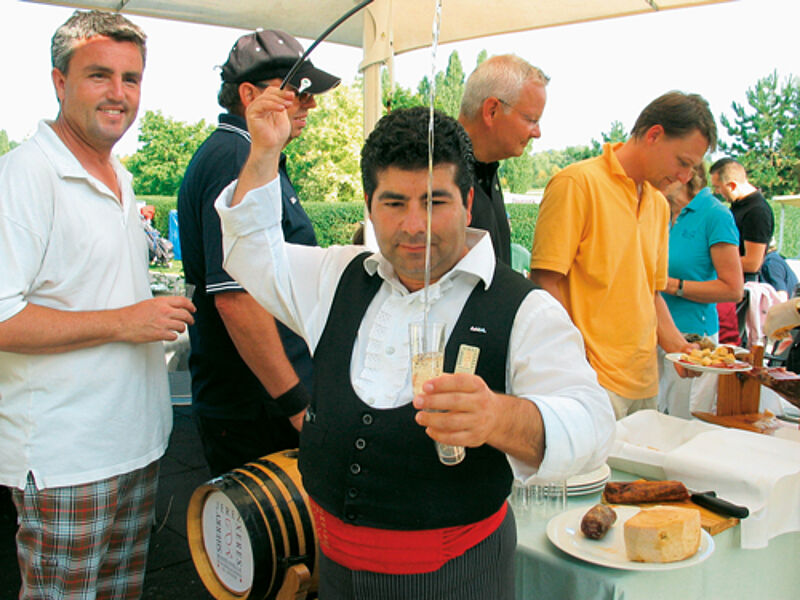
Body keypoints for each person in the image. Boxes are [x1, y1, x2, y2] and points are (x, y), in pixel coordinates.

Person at [216, 103, 614, 599]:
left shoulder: (524, 308)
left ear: (468, 202)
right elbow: (250, 251)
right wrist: (265, 153)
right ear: (368, 203)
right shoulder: (337, 275)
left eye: (435, 201)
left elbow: (594, 423)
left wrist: (498, 417)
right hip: (335, 571)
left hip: (458, 577)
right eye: (394, 202)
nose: (414, 227)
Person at [0, 10, 195, 599]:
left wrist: (145, 306)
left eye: (131, 78)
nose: (119, 93)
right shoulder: (26, 175)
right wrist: (127, 320)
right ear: (59, 82)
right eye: (99, 76)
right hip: (67, 460)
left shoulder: (119, 174)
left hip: (132, 445)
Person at [177, 30, 340, 476]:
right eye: (295, 91)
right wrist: (296, 405)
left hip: (255, 404)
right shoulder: (238, 156)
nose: (309, 104)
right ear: (249, 95)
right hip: (256, 410)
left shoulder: (247, 153)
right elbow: (237, 299)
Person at [531, 91, 716, 420]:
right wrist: (576, 361)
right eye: (683, 162)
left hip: (645, 382)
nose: (686, 177)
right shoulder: (577, 183)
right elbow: (545, 281)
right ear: (654, 135)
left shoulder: (658, 203)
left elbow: (650, 291)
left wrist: (678, 347)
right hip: (589, 381)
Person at [658, 164, 743, 418]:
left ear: (685, 174)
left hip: (691, 339)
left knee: (681, 425)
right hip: (651, 334)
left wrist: (671, 285)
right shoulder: (658, 211)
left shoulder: (715, 214)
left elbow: (733, 289)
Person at [458, 55, 548, 266]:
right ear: (492, 111)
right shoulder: (438, 178)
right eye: (531, 120)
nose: (537, 133)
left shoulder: (486, 171)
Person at [710, 158, 774, 279]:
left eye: (718, 187)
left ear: (732, 185)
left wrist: (711, 262)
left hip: (742, 285)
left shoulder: (757, 211)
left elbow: (752, 263)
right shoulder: (738, 206)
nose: (717, 192)